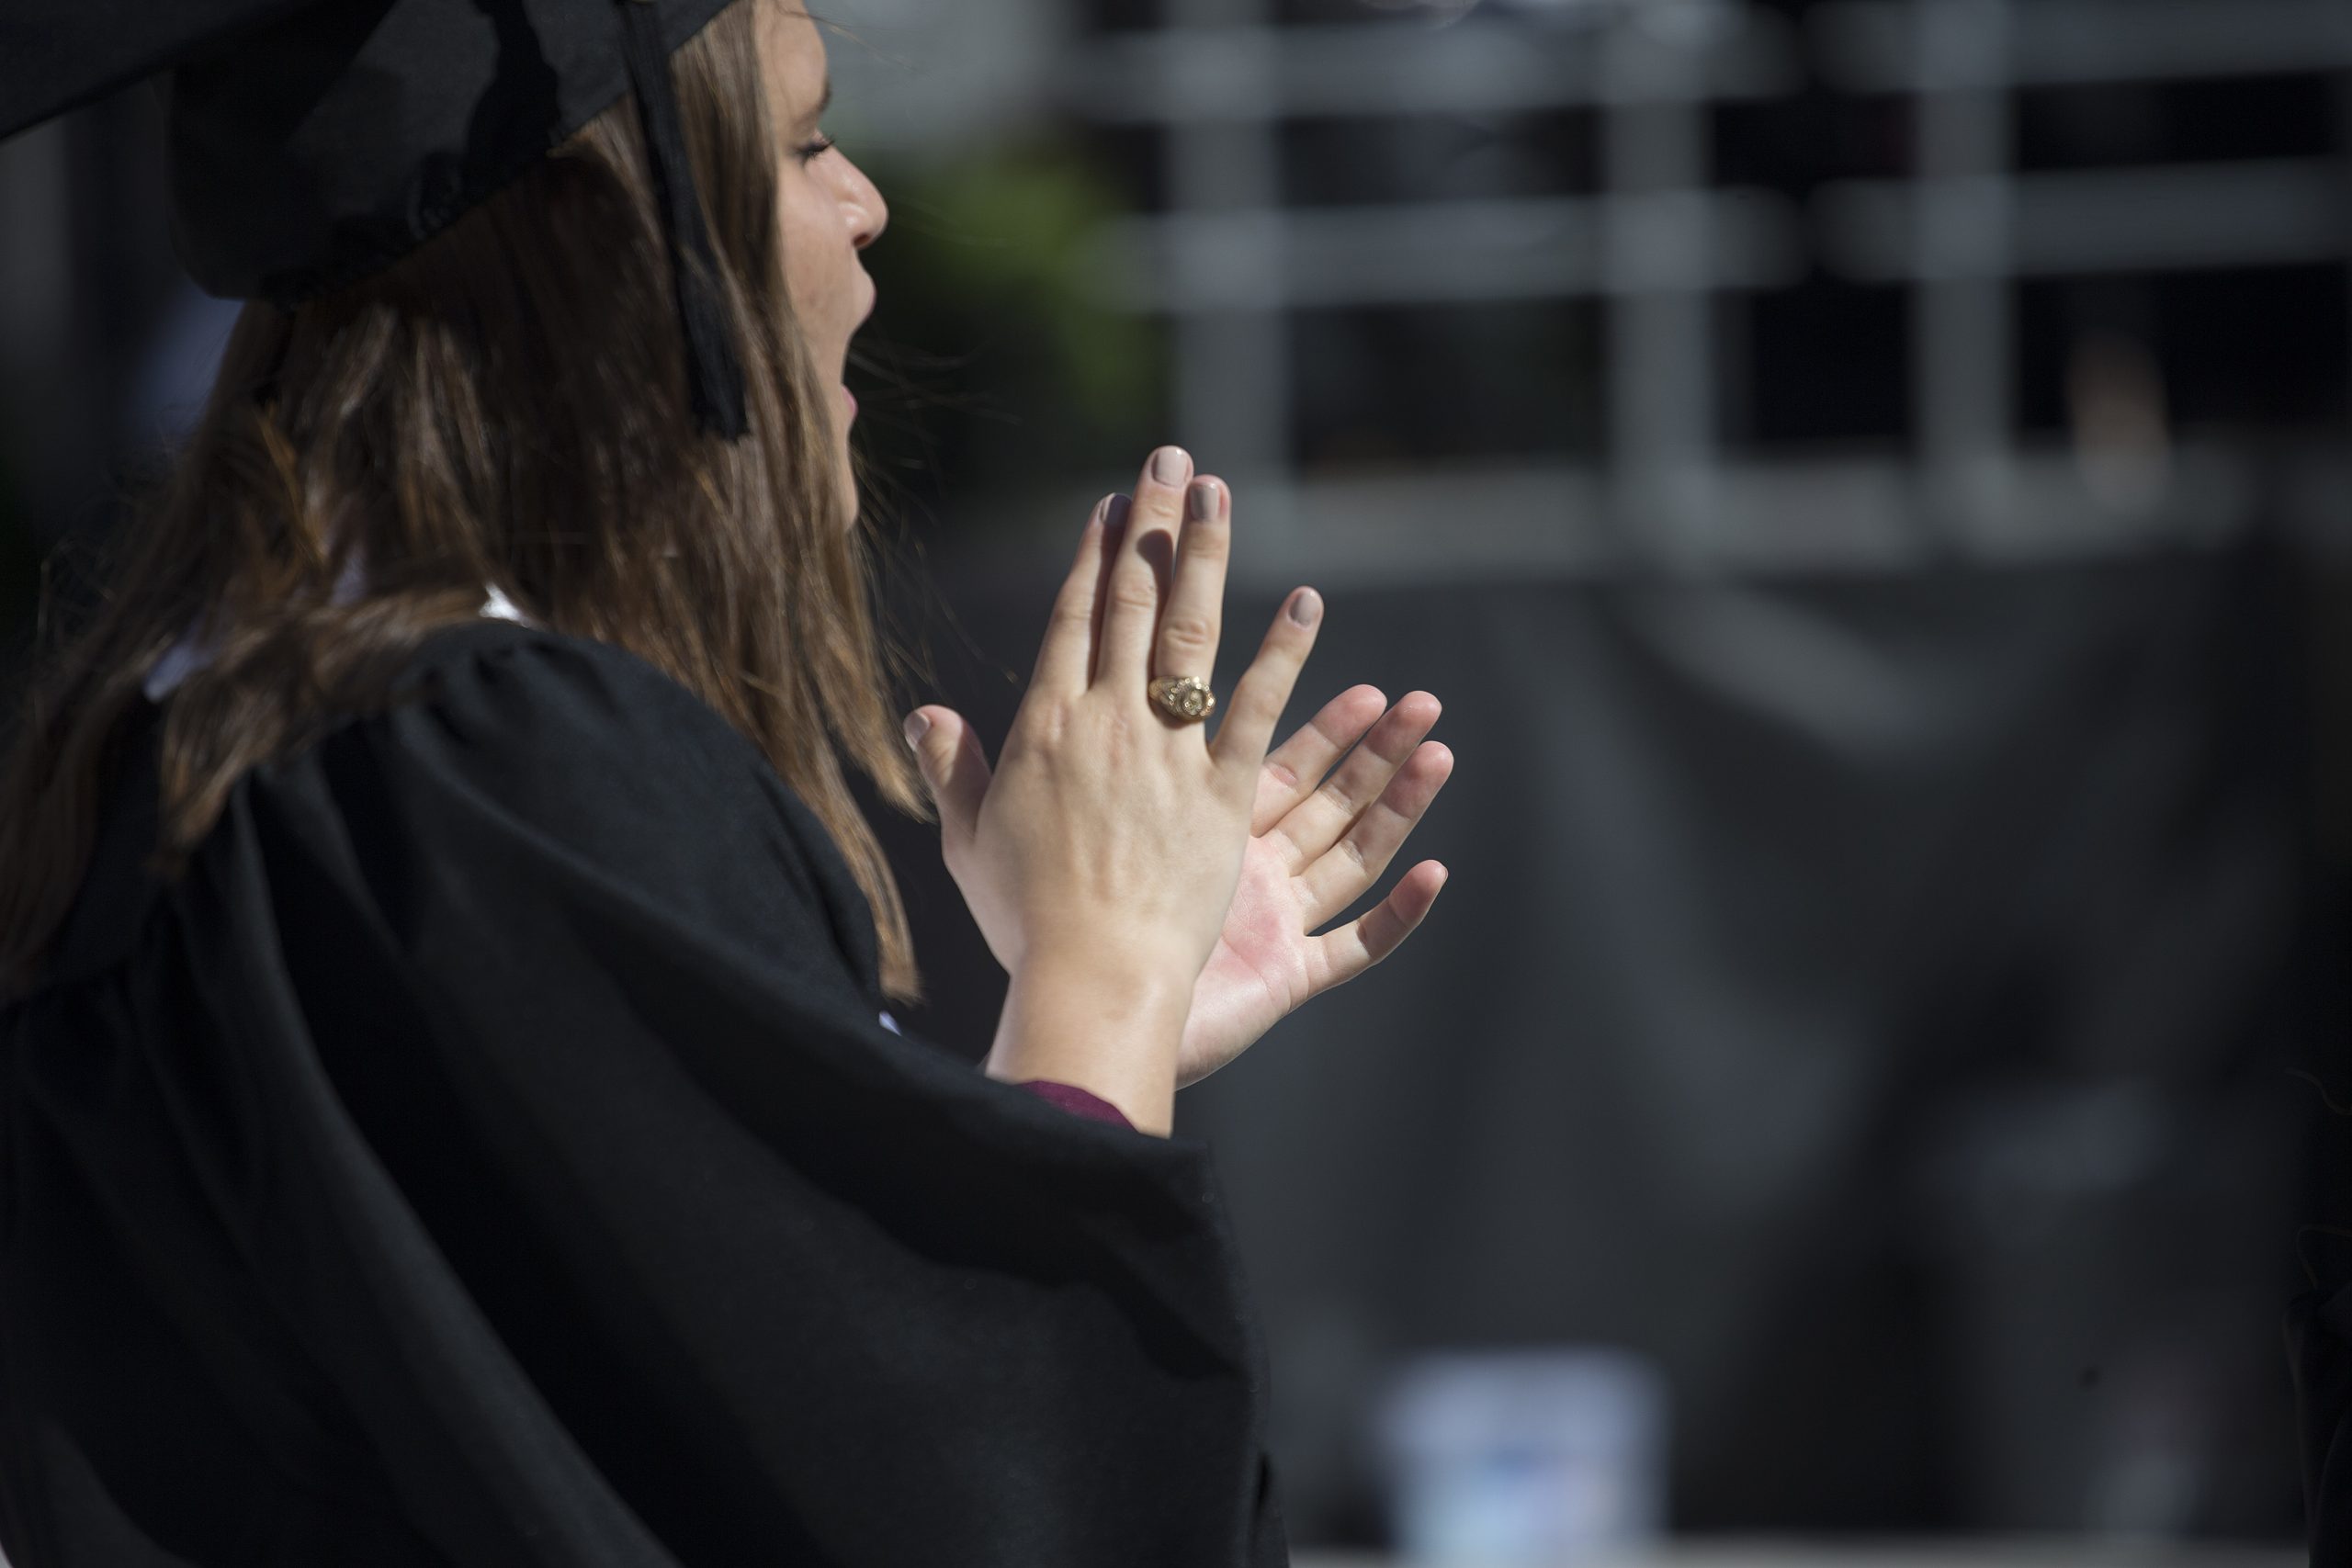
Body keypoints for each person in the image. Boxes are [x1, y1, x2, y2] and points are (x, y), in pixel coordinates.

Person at [0, 1, 1455, 1562]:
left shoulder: (209, 738)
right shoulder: (480, 767)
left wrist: (1091, 1030)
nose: (867, 202)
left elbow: (639, 1417)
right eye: (805, 141)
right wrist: (1105, 974)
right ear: (616, 243)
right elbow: (946, 1513)